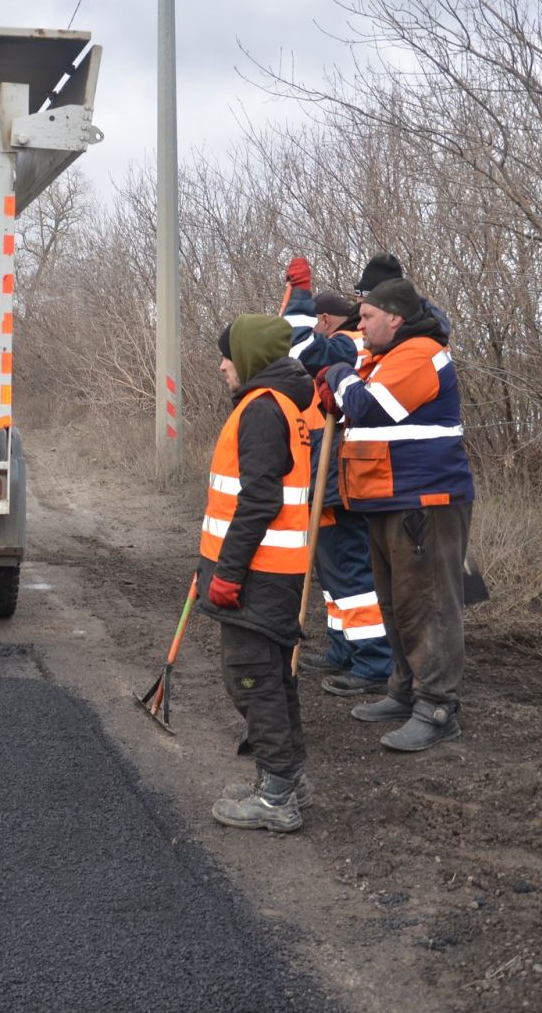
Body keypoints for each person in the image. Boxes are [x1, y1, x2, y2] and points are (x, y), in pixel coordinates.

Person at [316, 276, 474, 751]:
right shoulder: (385, 358)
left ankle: (437, 707)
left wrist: (340, 376)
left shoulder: (419, 354)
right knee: (396, 603)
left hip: (423, 501)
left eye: (365, 317)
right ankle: (404, 691)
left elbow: (369, 408)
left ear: (395, 318)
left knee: (426, 605)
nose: (358, 325)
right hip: (390, 499)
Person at [200, 314, 314, 833]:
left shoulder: (264, 410)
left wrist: (228, 572)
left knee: (251, 677)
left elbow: (260, 500)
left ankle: (275, 796)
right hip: (271, 568)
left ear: (247, 358)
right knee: (272, 674)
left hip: (259, 572)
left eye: (228, 355)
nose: (222, 364)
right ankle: (290, 777)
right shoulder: (283, 404)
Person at [281, 261, 394, 697]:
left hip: (343, 478)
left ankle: (373, 663)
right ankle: (343, 648)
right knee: (335, 576)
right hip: (326, 479)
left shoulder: (351, 344)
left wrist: (300, 297)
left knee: (351, 575)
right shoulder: (354, 342)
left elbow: (299, 351)